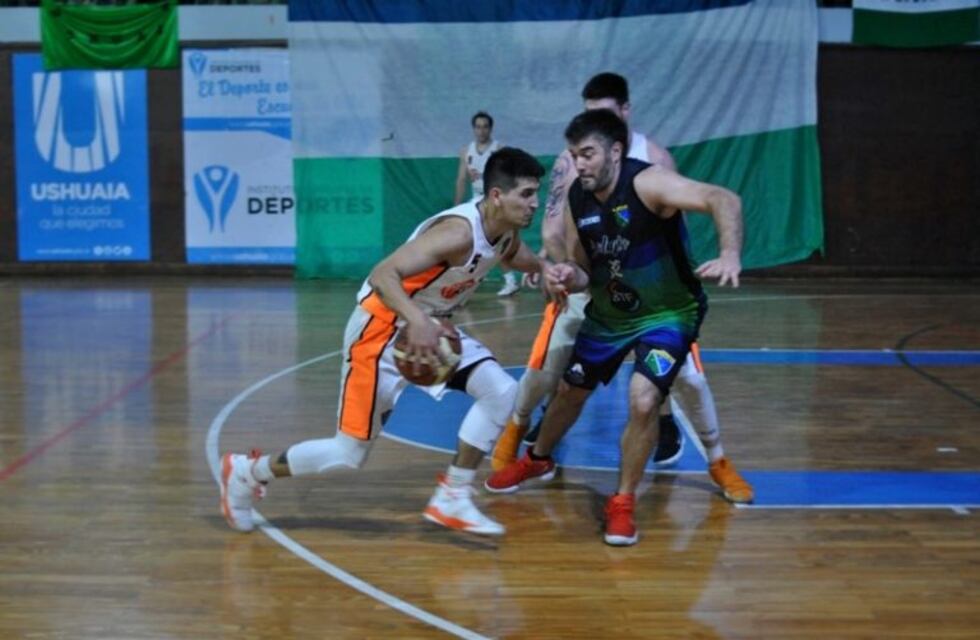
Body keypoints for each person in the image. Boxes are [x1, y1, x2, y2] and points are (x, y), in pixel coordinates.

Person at [221, 147, 557, 537]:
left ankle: (453, 495)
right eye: (527, 194)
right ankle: (246, 472)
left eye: (536, 193)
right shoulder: (457, 232)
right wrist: (417, 320)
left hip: (428, 330)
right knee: (347, 455)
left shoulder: (503, 231)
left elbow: (511, 253)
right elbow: (384, 274)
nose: (536, 203)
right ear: (497, 195)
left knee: (500, 391)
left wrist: (545, 268)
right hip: (379, 332)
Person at [491, 73, 752, 510]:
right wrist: (562, 273)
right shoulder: (574, 178)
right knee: (557, 373)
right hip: (605, 299)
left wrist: (729, 252)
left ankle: (717, 462)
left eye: (588, 149)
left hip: (663, 306)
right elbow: (572, 250)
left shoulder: (653, 168)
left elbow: (717, 200)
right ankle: (528, 445)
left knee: (679, 383)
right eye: (577, 151)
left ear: (620, 127)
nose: (580, 160)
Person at [454, 111, 518, 297]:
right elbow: (460, 180)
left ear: (490, 129)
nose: (481, 131)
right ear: (473, 129)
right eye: (478, 127)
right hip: (476, 200)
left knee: (497, 242)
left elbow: (508, 178)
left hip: (494, 200)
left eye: (485, 127)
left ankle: (511, 280)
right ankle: (465, 282)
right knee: (469, 242)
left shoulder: (499, 149)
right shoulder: (466, 151)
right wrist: (456, 207)